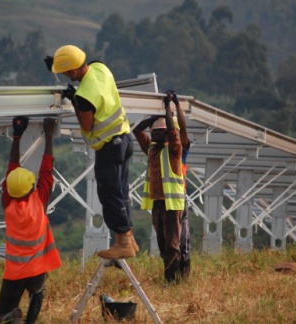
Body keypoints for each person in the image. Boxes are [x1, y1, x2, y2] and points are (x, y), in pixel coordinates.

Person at [44, 45, 137, 259]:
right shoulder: (99, 67)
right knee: (121, 192)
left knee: (109, 193)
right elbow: (88, 77)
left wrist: (75, 100)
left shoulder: (84, 96)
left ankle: (123, 242)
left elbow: (86, 125)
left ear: (74, 72)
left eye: (66, 73)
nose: (67, 77)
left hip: (108, 147)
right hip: (124, 139)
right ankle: (129, 238)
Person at [0, 116, 62, 324]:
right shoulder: (39, 201)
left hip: (13, 272)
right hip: (36, 270)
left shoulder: (8, 204)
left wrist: (17, 134)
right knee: (38, 293)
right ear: (31, 189)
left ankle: (11, 318)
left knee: (1, 317)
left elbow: (12, 166)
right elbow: (46, 168)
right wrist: (49, 135)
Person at [132, 92, 185, 283]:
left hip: (172, 205)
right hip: (158, 204)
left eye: (156, 131)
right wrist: (154, 117)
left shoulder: (174, 149)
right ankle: (171, 277)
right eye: (153, 132)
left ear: (164, 134)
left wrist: (168, 110)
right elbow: (137, 131)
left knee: (172, 245)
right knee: (163, 244)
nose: (152, 134)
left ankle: (172, 281)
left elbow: (173, 132)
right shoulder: (152, 149)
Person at [168, 90, 192, 278]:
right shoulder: (161, 150)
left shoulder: (180, 150)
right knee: (173, 240)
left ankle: (182, 274)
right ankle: (175, 275)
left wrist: (175, 106)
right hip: (166, 201)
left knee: (181, 240)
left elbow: (183, 130)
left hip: (179, 199)